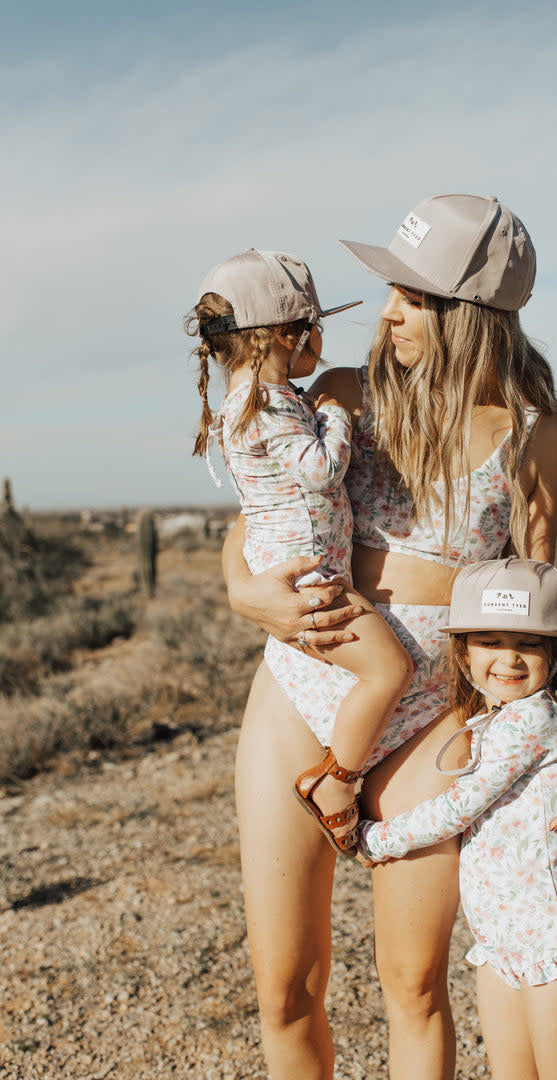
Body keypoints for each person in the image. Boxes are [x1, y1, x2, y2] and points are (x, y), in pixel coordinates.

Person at [221, 194, 557, 1080]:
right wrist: (245, 592)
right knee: (286, 987)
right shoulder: (343, 396)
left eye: (414, 297)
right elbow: (260, 516)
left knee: (415, 984)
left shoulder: (539, 436)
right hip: (303, 689)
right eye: (391, 290)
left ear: (472, 316)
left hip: (435, 714)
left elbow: (537, 607)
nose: (388, 312)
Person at [187, 249, 413, 855]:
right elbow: (321, 470)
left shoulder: (248, 400)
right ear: (286, 334)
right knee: (390, 670)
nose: (321, 341)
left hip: (294, 566)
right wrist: (336, 412)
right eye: (316, 327)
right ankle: (334, 781)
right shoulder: (271, 402)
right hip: (311, 579)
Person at [358, 557, 557, 1080]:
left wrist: (375, 839)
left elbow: (459, 807)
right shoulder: (495, 718)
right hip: (500, 937)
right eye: (489, 641)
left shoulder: (532, 719)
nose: (509, 658)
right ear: (463, 651)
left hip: (548, 937)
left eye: (529, 643)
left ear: (555, 653)